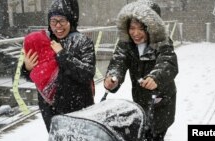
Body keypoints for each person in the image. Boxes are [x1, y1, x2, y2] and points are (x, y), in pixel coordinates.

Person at [104, 1, 178, 141]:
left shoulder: (162, 41)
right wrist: (113, 76)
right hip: (140, 100)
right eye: (132, 28)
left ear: (152, 28)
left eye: (141, 29)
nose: (135, 33)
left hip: (162, 101)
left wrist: (156, 77)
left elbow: (168, 62)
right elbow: (118, 61)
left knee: (155, 134)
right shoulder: (126, 43)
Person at [22, 0, 96, 132]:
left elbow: (87, 73)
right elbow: (37, 74)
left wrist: (62, 54)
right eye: (53, 21)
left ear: (70, 21)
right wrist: (27, 68)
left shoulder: (83, 41)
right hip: (50, 109)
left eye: (62, 20)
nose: (58, 26)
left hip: (78, 106)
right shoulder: (44, 41)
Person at [23, 30, 59, 105]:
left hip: (51, 106)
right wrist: (27, 69)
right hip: (65, 105)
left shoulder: (37, 71)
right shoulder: (53, 58)